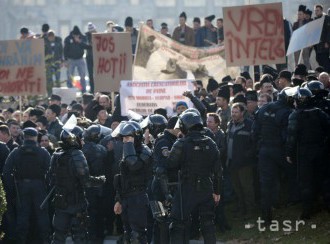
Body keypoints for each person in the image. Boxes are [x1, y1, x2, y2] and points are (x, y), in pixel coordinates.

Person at [165, 111, 221, 244]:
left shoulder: (181, 143)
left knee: (178, 224)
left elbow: (170, 164)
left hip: (186, 188)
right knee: (208, 223)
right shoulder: (211, 143)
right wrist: (217, 191)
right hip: (206, 187)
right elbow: (218, 171)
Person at [49, 128, 106, 243]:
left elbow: (50, 179)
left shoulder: (56, 155)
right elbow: (86, 181)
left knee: (58, 236)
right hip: (76, 202)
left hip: (60, 200)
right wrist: (101, 180)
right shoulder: (77, 154)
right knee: (80, 236)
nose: (83, 141)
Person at [253, 88, 298, 224]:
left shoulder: (263, 109)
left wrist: (259, 147)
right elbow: (288, 135)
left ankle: (266, 216)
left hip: (265, 150)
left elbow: (254, 131)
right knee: (294, 175)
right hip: (280, 150)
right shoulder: (287, 112)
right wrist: (289, 152)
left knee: (266, 183)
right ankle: (294, 203)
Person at [286, 88, 330, 219]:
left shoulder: (295, 115)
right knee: (324, 180)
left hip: (304, 153)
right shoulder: (320, 113)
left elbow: (291, 137)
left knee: (306, 182)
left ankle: (307, 211)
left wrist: (289, 152)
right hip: (320, 150)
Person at [3, 127, 51, 243]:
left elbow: (6, 171)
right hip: (39, 186)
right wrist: (47, 186)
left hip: (21, 186)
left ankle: (21, 240)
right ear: (35, 138)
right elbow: (51, 171)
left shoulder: (16, 152)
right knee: (42, 215)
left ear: (24, 137)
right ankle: (46, 240)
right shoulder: (43, 152)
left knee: (22, 215)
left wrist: (11, 188)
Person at [113, 121, 153, 243]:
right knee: (128, 233)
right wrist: (118, 200)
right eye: (124, 137)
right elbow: (123, 178)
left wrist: (128, 146)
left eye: (129, 137)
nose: (126, 140)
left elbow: (134, 165)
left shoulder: (144, 150)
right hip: (126, 197)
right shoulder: (127, 151)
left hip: (139, 196)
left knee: (138, 235)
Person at [82, 125, 108, 243]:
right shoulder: (102, 149)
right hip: (101, 185)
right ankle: (99, 236)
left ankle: (91, 236)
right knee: (99, 212)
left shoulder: (82, 150)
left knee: (90, 212)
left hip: (88, 185)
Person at [64, 26, 90, 92]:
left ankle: (83, 90)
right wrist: (65, 60)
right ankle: (70, 89)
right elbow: (65, 50)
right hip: (71, 59)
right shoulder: (68, 39)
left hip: (80, 59)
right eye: (75, 35)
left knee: (82, 75)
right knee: (70, 76)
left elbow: (87, 46)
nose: (76, 36)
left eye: (77, 35)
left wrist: (79, 42)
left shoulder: (82, 37)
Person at [314, 4, 330, 72]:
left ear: (321, 10)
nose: (316, 12)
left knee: (325, 60)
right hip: (317, 45)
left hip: (324, 44)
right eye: (315, 10)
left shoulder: (327, 18)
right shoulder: (314, 20)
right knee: (318, 59)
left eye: (317, 10)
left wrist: (327, 42)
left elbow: (329, 31)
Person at [85, 22, 97, 94]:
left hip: (97, 57)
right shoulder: (86, 36)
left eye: (93, 30)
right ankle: (92, 90)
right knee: (90, 75)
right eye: (91, 31)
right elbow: (85, 44)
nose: (92, 32)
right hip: (89, 57)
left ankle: (98, 89)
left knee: (98, 75)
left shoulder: (98, 35)